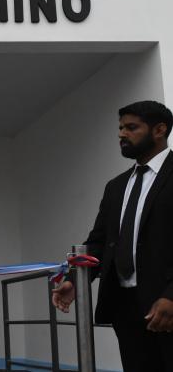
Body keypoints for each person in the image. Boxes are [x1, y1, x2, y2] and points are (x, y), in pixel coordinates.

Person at [52, 101, 173, 371]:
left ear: (159, 130)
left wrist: (171, 296)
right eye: (120, 128)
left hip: (167, 305)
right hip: (126, 308)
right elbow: (99, 241)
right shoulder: (116, 186)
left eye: (131, 127)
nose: (121, 134)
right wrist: (76, 281)